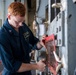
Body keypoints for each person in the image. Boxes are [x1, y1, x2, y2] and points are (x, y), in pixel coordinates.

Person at [0, 2, 46, 75]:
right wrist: (36, 66)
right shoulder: (2, 36)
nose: (21, 24)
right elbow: (11, 65)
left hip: (26, 71)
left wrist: (41, 43)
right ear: (9, 16)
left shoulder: (22, 27)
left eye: (22, 21)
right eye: (17, 22)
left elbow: (33, 42)